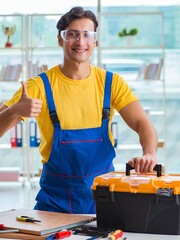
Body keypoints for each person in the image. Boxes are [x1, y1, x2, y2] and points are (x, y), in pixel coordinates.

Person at [0, 7, 158, 214]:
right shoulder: (39, 86)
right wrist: (15, 111)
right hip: (55, 202)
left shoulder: (111, 83)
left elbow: (142, 123)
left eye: (87, 35)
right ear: (60, 40)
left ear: (95, 42)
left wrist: (149, 153)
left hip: (104, 197)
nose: (80, 42)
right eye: (72, 34)